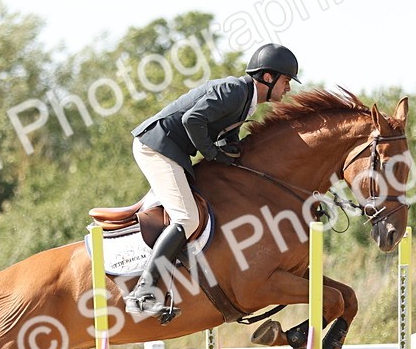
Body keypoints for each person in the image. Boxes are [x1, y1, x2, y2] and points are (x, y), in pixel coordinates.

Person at [125, 43, 299, 316]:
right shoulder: (234, 91)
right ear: (268, 77)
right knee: (186, 218)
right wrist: (213, 153)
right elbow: (193, 120)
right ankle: (142, 293)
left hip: (172, 150)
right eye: (286, 80)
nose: (288, 88)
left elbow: (223, 134)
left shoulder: (247, 102)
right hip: (156, 147)